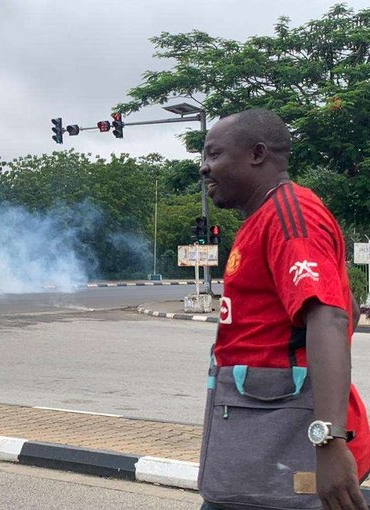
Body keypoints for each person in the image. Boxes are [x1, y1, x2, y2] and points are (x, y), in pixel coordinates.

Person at [198, 109, 370, 509]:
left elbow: (330, 315)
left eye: (214, 154)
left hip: (288, 437)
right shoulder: (264, 219)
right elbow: (351, 305)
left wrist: (328, 441)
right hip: (260, 429)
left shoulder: (290, 216)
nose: (204, 168)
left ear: (257, 154)